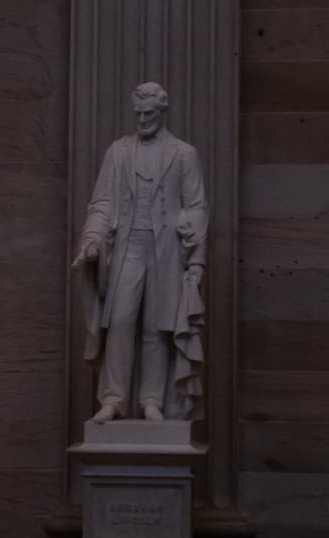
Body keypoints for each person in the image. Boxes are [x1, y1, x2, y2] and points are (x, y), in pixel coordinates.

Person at [72, 81, 208, 423]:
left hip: (166, 250)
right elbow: (102, 202)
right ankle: (114, 398)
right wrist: (91, 239)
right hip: (127, 245)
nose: (142, 120)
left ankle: (152, 400)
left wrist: (196, 260)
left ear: (161, 112)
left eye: (149, 114)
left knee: (156, 327)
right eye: (138, 114)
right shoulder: (117, 152)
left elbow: (197, 206)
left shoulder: (183, 153)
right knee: (119, 321)